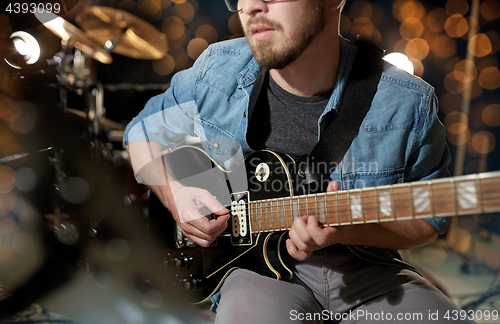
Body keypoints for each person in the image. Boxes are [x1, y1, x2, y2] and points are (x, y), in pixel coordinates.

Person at [124, 0, 473, 322]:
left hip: (370, 272)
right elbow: (142, 134)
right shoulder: (217, 68)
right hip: (256, 275)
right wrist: (176, 194)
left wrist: (351, 227)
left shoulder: (408, 102)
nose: (249, 6)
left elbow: (429, 216)